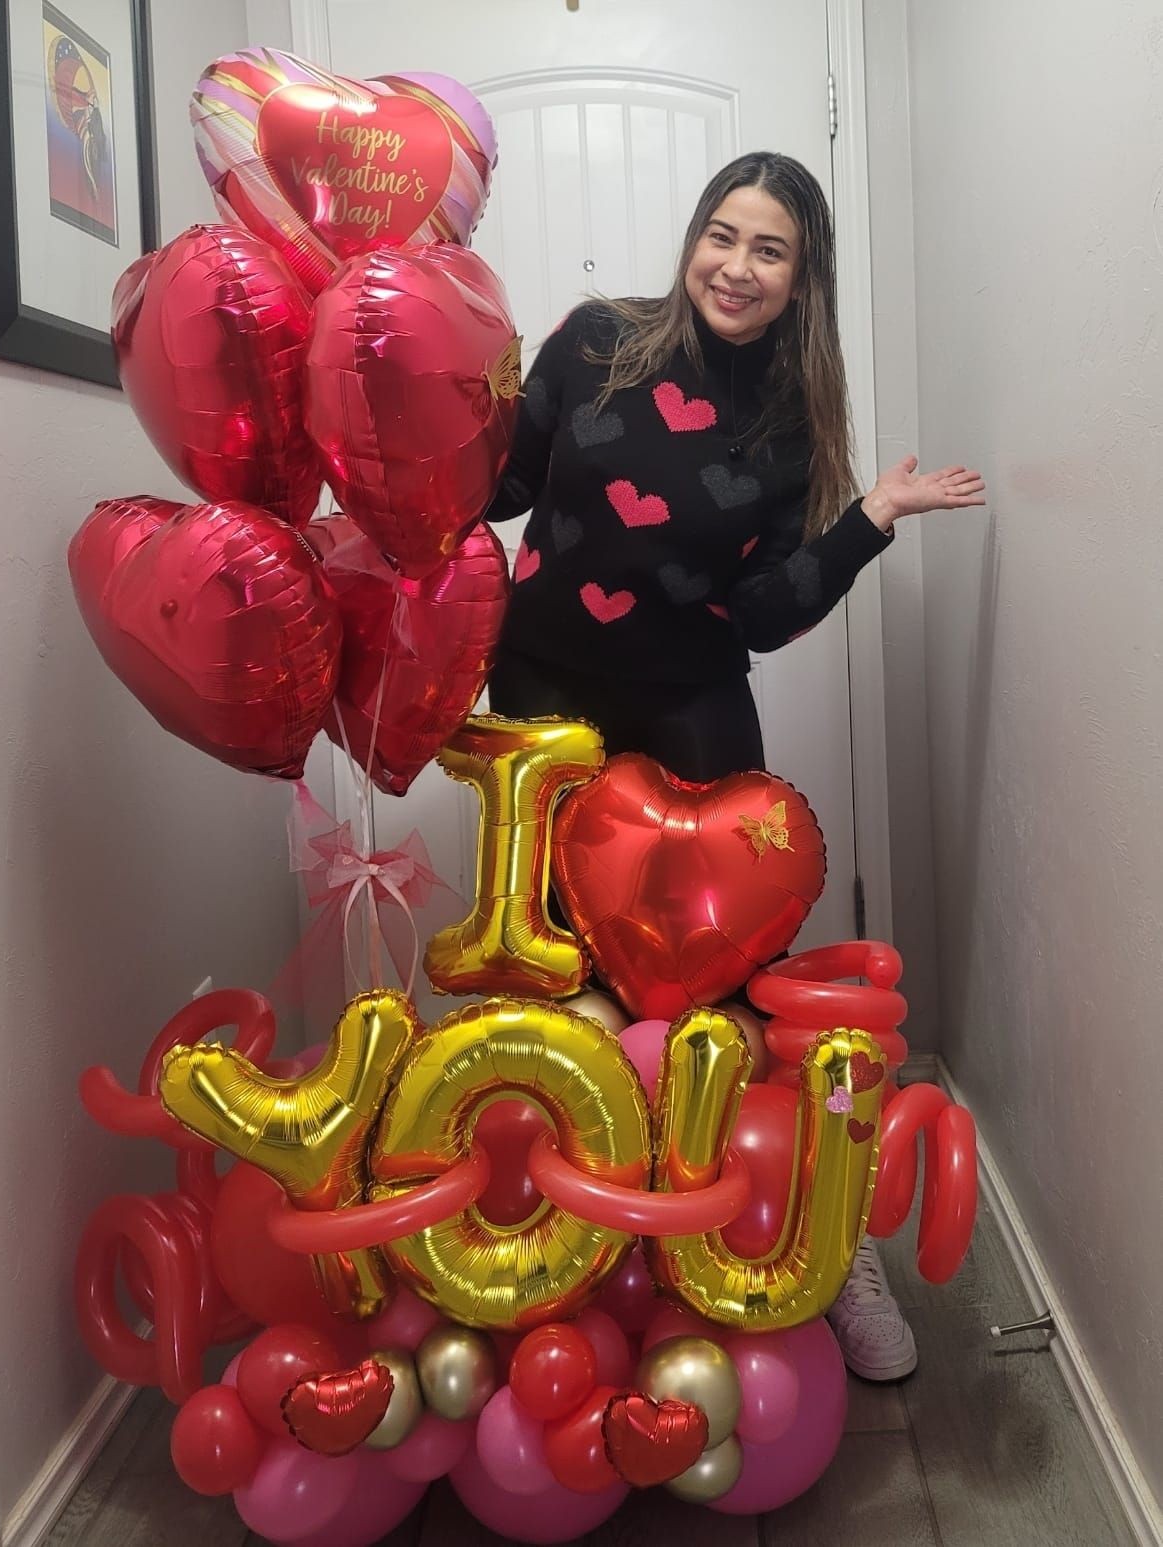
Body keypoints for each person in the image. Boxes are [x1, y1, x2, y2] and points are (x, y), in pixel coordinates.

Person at [482, 150, 985, 1380]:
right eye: (723, 234)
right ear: (692, 238)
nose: (735, 267)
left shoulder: (786, 420)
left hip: (692, 709)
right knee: (554, 970)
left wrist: (868, 520)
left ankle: (818, 1242)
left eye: (769, 249)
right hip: (544, 698)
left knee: (730, 981)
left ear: (799, 277)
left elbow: (760, 613)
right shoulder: (593, 340)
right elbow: (491, 484)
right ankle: (560, 1245)